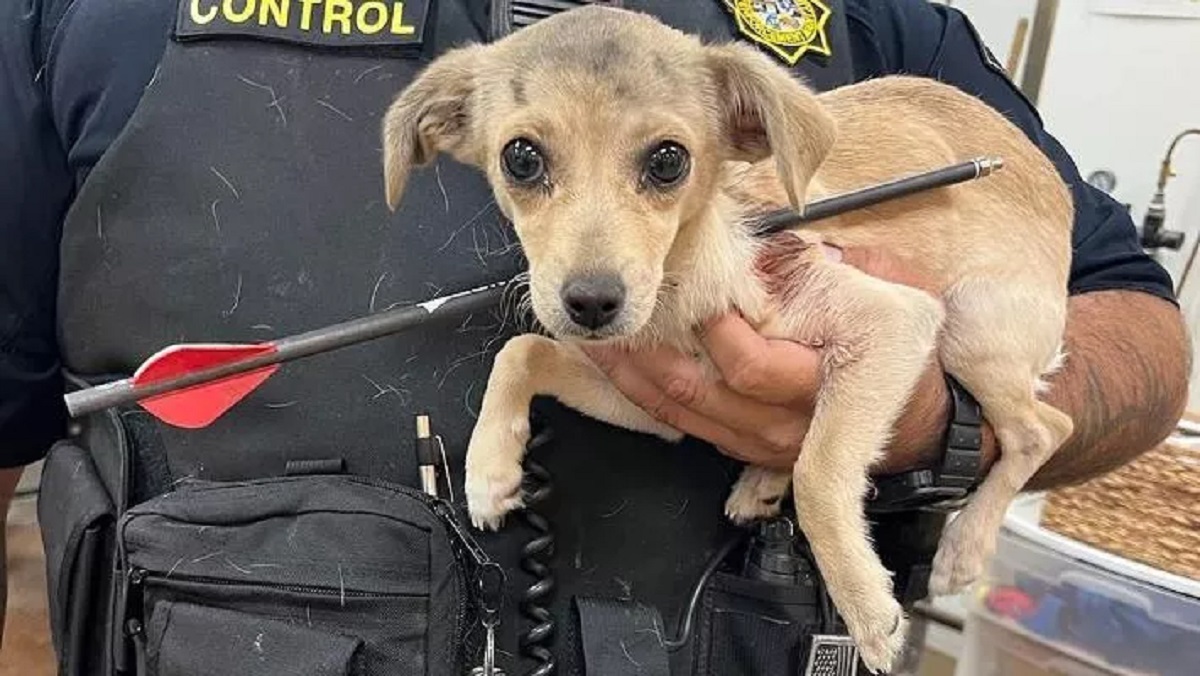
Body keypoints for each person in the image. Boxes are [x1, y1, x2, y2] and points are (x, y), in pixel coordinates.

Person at [1, 0, 1188, 671]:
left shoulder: (867, 24)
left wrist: (938, 419)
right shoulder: (87, 16)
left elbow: (1133, 316)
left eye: (662, 164)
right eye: (530, 162)